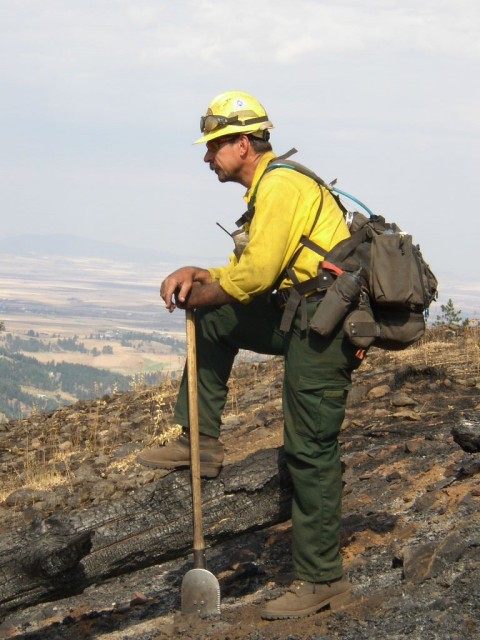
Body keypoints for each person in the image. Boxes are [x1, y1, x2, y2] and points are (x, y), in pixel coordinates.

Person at [137, 91, 362, 619]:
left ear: (243, 143)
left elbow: (256, 276)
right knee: (213, 317)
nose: (207, 157)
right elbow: (257, 273)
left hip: (321, 328)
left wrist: (205, 283)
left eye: (215, 145)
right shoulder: (271, 186)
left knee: (309, 450)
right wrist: (203, 277)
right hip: (301, 316)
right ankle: (201, 444)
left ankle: (322, 579)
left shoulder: (281, 185)